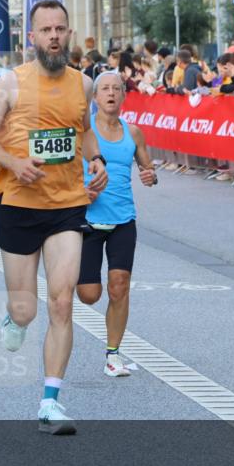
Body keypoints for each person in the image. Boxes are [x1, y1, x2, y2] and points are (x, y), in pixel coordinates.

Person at [0, 0, 108, 435]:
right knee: (26, 309)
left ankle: (50, 402)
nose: (54, 36)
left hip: (67, 205)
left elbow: (83, 130)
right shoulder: (10, 83)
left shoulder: (83, 84)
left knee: (62, 302)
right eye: (46, 29)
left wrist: (97, 160)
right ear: (31, 37)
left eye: (60, 29)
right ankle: (14, 318)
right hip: (18, 203)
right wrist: (14, 164)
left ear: (69, 33)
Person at [76, 71, 156, 377]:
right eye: (105, 89)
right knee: (89, 295)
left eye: (116, 89)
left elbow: (148, 169)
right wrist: (79, 192)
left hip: (123, 219)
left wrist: (150, 176)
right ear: (95, 97)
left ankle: (113, 354)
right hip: (88, 219)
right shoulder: (83, 131)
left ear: (123, 95)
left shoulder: (133, 133)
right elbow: (64, 171)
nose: (110, 93)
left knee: (119, 286)